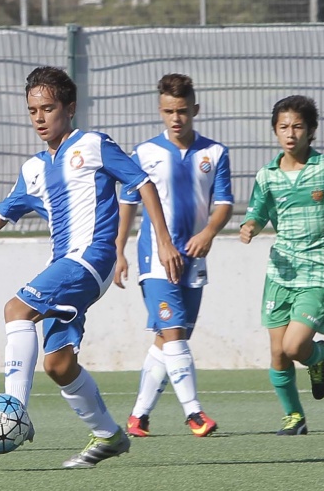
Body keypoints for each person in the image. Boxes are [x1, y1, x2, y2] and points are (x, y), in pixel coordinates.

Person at [0, 66, 184, 467]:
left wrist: (163, 240)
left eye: (48, 108)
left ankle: (12, 416)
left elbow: (142, 183)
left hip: (92, 258)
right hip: (65, 264)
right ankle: (110, 436)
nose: (40, 118)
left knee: (15, 309)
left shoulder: (93, 144)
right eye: (33, 110)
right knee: (58, 365)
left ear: (69, 108)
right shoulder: (34, 169)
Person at [239, 95, 324, 435]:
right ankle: (294, 417)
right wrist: (249, 227)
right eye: (283, 127)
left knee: (294, 346)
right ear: (275, 131)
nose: (291, 134)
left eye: (298, 126)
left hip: (320, 269)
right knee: (278, 353)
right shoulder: (266, 176)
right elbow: (257, 212)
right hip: (281, 271)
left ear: (311, 130)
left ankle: (316, 357)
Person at [114, 73, 234, 438]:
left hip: (193, 260)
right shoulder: (145, 153)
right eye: (168, 111)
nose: (176, 118)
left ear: (194, 109)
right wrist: (119, 251)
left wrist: (208, 233)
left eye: (182, 111)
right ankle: (194, 413)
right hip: (155, 260)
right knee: (175, 334)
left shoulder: (214, 153)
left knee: (168, 341)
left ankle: (138, 417)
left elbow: (224, 203)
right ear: (160, 110)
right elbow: (128, 203)